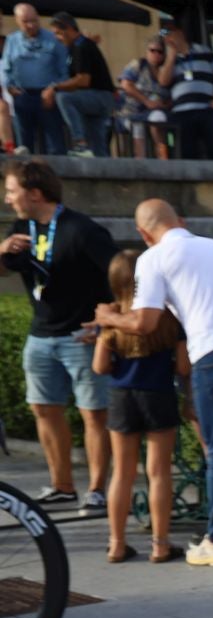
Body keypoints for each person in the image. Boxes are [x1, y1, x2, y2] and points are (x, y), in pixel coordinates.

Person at [91, 200, 213, 566]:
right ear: (182, 221)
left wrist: (107, 318)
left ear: (144, 233)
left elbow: (144, 322)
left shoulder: (153, 257)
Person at [2, 158, 113, 510]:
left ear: (35, 193)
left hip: (82, 337)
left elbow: (122, 276)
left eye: (11, 191)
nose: (7, 199)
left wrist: (106, 322)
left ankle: (97, 490)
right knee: (43, 409)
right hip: (40, 336)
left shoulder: (82, 230)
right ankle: (61, 486)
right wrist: (1, 251)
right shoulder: (21, 228)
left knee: (94, 414)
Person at [91, 249, 188, 563]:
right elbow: (183, 367)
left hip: (122, 396)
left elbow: (99, 367)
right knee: (159, 472)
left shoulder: (111, 319)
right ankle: (160, 545)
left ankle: (116, 544)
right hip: (158, 393)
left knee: (122, 472)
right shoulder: (168, 318)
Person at [45, 12, 114, 158]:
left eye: (58, 33)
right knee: (97, 146)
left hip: (100, 97)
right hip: (94, 97)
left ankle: (80, 143)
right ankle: (102, 167)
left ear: (69, 28)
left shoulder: (81, 46)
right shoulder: (74, 48)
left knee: (64, 98)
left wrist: (55, 88)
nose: (57, 38)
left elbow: (83, 80)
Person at [3, 4, 69, 155]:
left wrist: (54, 88)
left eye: (34, 20)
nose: (31, 25)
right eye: (26, 21)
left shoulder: (54, 39)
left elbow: (65, 71)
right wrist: (10, 86)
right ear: (17, 21)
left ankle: (56, 169)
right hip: (22, 95)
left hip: (47, 96)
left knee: (55, 145)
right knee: (24, 146)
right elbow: (6, 69)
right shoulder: (12, 40)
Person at [157, 17, 213, 160]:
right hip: (182, 112)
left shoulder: (203, 50)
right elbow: (163, 81)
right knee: (187, 150)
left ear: (180, 34)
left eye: (170, 34)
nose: (168, 39)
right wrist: (171, 57)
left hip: (207, 108)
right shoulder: (168, 59)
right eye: (164, 36)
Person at [117, 34, 170, 160]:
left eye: (160, 52)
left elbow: (172, 94)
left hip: (156, 112)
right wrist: (146, 101)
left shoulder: (167, 71)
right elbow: (125, 84)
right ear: (147, 51)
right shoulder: (138, 65)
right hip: (132, 112)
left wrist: (163, 105)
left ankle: (163, 158)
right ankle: (140, 160)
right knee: (138, 125)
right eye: (152, 50)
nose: (155, 54)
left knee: (158, 118)